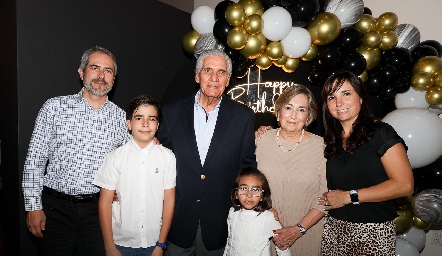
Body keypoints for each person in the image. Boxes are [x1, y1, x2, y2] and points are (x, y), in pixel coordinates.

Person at [22, 46, 130, 256]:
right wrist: (33, 206)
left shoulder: (121, 119)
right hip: (55, 210)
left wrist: (152, 146)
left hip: (98, 212)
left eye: (107, 71)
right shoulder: (54, 108)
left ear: (114, 79)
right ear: (81, 72)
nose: (101, 75)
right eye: (95, 68)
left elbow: (131, 160)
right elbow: (35, 159)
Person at [156, 49, 257, 256]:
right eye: (208, 70)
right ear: (197, 75)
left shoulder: (243, 117)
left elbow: (246, 168)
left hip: (218, 224)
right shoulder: (171, 112)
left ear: (228, 80)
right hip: (176, 220)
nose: (214, 78)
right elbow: (159, 161)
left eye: (221, 73)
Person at [320, 70, 414, 255]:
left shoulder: (380, 132)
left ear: (361, 97)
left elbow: (405, 185)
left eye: (346, 94)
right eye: (332, 97)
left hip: (372, 233)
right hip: (334, 231)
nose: (339, 103)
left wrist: (349, 196)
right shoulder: (332, 141)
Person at [93, 94, 176, 256]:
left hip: (154, 242)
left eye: (151, 119)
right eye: (139, 118)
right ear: (129, 124)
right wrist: (110, 247)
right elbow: (104, 204)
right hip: (121, 243)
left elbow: (169, 201)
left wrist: (161, 244)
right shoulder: (114, 158)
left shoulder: (168, 157)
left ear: (158, 125)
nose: (145, 124)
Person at [255, 84, 327, 255]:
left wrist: (298, 229)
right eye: (288, 107)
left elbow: (325, 196)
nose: (293, 116)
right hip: (266, 231)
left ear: (308, 115)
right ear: (278, 110)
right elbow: (248, 184)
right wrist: (264, 206)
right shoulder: (260, 140)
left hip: (307, 233)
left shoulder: (321, 146)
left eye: (301, 109)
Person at [223, 167, 291, 256]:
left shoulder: (268, 217)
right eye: (244, 188)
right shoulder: (232, 212)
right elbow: (230, 242)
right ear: (236, 194)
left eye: (255, 190)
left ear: (262, 196)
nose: (249, 195)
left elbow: (283, 248)